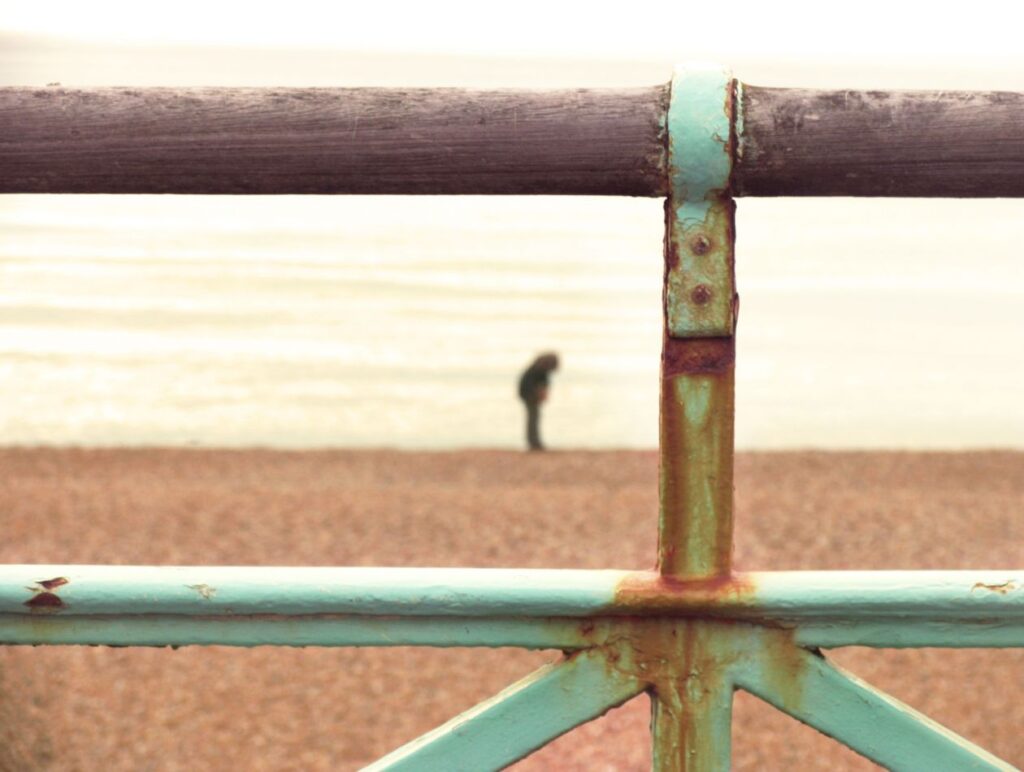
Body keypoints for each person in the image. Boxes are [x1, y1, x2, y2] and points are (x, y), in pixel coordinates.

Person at [517, 352, 559, 451]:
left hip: (529, 395)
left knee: (534, 418)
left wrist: (541, 394)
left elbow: (543, 384)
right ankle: (534, 443)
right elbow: (535, 385)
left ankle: (534, 442)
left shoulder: (538, 369)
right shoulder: (538, 370)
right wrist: (536, 395)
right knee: (533, 418)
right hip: (529, 395)